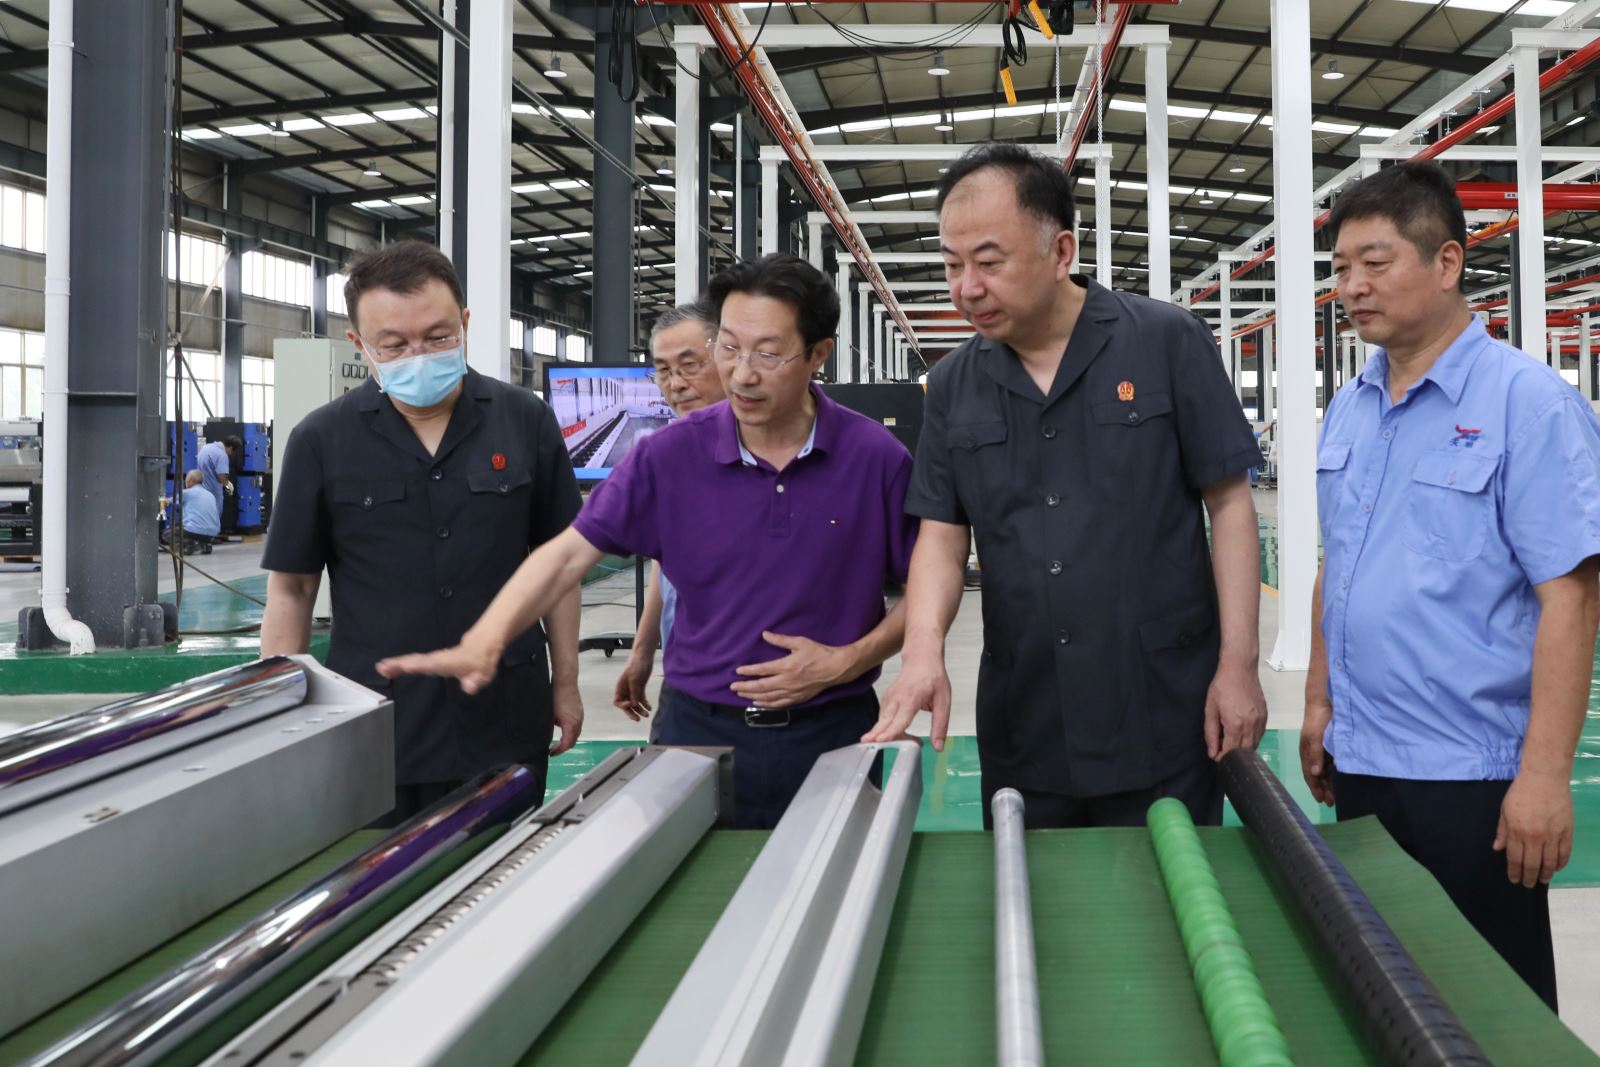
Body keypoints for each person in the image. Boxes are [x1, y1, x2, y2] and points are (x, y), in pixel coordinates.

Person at [379, 253, 919, 829]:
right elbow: (567, 554)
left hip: (834, 731)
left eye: (768, 353)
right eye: (728, 347)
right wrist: (486, 638)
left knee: (836, 875)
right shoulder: (667, 457)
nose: (741, 374)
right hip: (698, 733)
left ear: (818, 354)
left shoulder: (876, 459)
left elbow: (930, 589)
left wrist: (848, 661)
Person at [868, 142, 1267, 829]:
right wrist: (923, 652)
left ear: (1060, 252)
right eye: (953, 264)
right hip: (1026, 713)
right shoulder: (954, 383)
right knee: (1027, 884)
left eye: (989, 262)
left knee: (1175, 879)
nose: (967, 288)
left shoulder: (1166, 341)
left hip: (1161, 706)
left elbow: (1229, 505)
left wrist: (1239, 665)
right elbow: (941, 534)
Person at [1303, 160, 1600, 1010]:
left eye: (1375, 262)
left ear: (1447, 263)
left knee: (1489, 1009)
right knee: (1383, 995)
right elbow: (1335, 564)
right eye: (1340, 268)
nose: (1352, 287)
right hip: (1363, 763)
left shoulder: (1529, 405)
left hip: (1473, 780)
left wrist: (1543, 778)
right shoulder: (1351, 406)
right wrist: (1319, 702)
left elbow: (1572, 598)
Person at [259, 240, 584, 823]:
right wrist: (279, 710)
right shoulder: (321, 440)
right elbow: (293, 588)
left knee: (506, 865)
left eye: (438, 337)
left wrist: (567, 681)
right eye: (395, 345)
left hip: (505, 712)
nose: (420, 356)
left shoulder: (525, 420)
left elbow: (559, 566)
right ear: (360, 345)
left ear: (465, 324)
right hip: (377, 719)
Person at [613, 301, 726, 725]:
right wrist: (643, 651)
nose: (676, 384)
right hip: (684, 682)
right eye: (663, 371)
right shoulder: (667, 454)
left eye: (690, 365)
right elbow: (665, 559)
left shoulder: (772, 456)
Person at [195, 435, 240, 517]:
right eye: (232, 452)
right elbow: (221, 477)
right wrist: (228, 487)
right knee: (213, 519)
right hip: (213, 493)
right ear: (231, 448)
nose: (231, 454)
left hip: (201, 491)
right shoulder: (222, 455)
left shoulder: (206, 447)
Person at [179, 469, 221, 549]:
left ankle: (189, 545)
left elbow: (170, 501)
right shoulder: (210, 495)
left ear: (191, 481)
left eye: (186, 480)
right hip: (213, 532)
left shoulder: (187, 492)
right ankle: (204, 544)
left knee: (168, 534)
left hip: (193, 530)